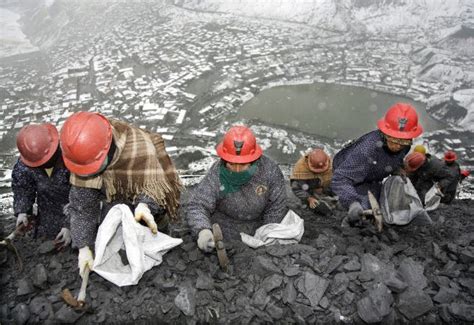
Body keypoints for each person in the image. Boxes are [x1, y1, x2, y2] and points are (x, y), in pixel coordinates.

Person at [60, 112, 182, 279]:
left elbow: (155, 186)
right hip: (113, 197)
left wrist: (146, 205)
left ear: (109, 148)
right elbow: (83, 207)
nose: (90, 174)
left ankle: (160, 253)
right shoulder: (82, 156)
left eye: (95, 167)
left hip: (145, 194)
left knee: (151, 225)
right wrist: (84, 247)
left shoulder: (140, 148)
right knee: (114, 233)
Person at [185, 125, 288, 251]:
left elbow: (277, 206)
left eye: (243, 164)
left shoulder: (269, 171)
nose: (237, 170)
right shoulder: (217, 173)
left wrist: (266, 232)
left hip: (258, 225)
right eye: (232, 163)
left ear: (253, 159)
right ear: (224, 158)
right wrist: (202, 230)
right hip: (224, 226)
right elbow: (198, 204)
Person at [331, 103, 423, 226]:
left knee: (379, 206)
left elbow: (395, 158)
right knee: (362, 211)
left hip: (373, 176)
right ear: (385, 134)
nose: (398, 146)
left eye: (403, 140)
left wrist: (397, 169)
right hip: (351, 175)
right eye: (394, 140)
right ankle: (347, 224)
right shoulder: (367, 149)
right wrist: (352, 202)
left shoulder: (404, 146)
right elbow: (340, 178)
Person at [12, 123, 71, 248]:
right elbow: (22, 188)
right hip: (48, 211)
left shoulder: (71, 157)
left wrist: (70, 224)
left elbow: (84, 193)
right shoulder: (25, 164)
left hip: (74, 205)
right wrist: (22, 211)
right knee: (51, 238)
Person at [290, 148, 337, 216]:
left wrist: (323, 187)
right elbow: (296, 189)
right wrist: (309, 198)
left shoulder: (331, 163)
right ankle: (306, 201)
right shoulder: (300, 170)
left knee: (340, 194)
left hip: (323, 186)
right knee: (323, 210)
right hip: (309, 189)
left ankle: (333, 199)